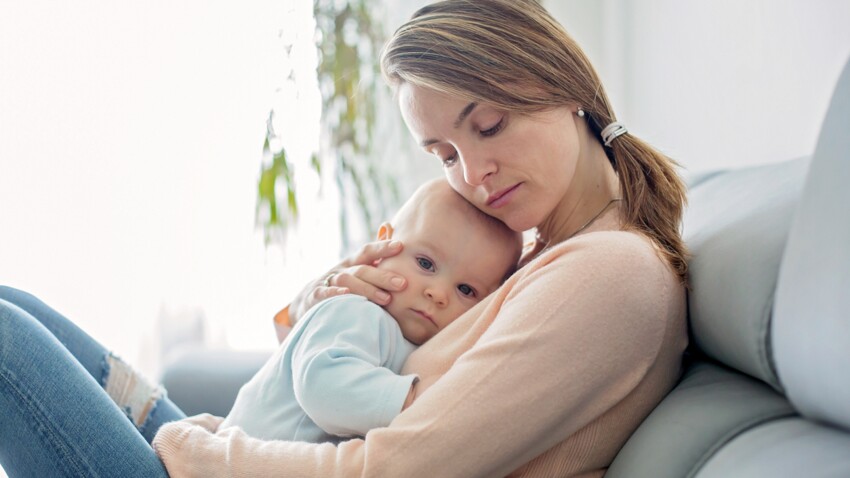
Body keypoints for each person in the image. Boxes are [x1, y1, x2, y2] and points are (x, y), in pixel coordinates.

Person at [0, 1, 689, 477]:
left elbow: (398, 467)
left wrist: (202, 452)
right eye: (444, 153)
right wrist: (319, 309)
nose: (473, 175)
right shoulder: (541, 253)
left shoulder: (610, 275)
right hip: (274, 451)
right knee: (14, 304)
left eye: (489, 125)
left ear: (566, 87)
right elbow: (367, 373)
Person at [220, 178, 521, 442]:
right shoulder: (357, 310)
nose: (438, 293)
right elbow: (321, 386)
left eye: (466, 290)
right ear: (383, 243)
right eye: (425, 264)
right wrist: (413, 399)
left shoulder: (428, 343)